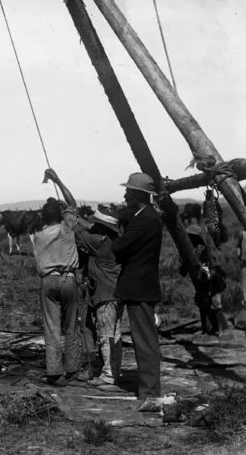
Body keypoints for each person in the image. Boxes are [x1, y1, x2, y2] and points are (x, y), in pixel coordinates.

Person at [111, 172, 163, 412]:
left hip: (139, 287)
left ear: (138, 194)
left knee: (145, 343)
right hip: (141, 286)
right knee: (145, 341)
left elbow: (120, 247)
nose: (125, 194)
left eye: (129, 191)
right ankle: (149, 391)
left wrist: (116, 239)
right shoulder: (146, 216)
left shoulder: (145, 219)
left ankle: (151, 395)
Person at [32, 169, 83, 387]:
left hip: (49, 281)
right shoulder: (67, 227)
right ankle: (73, 370)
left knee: (52, 327)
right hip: (70, 280)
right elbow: (72, 203)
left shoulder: (38, 236)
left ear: (43, 217)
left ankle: (55, 373)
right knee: (71, 325)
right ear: (61, 216)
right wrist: (58, 180)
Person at [75, 204, 123, 387]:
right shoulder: (114, 240)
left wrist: (73, 216)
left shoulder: (97, 242)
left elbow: (78, 230)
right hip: (116, 292)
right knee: (115, 335)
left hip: (104, 294)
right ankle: (114, 371)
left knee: (105, 335)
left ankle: (108, 375)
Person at [179, 224, 228, 335]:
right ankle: (206, 328)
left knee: (216, 305)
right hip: (203, 282)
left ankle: (220, 329)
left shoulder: (204, 250)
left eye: (191, 237)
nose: (190, 239)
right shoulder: (192, 251)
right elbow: (184, 269)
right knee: (202, 303)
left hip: (213, 282)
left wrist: (202, 271)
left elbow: (207, 267)